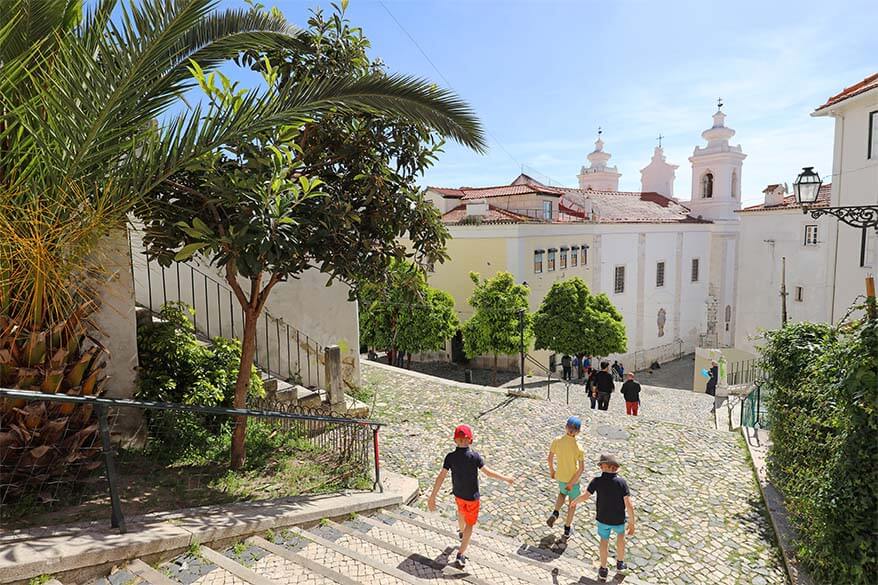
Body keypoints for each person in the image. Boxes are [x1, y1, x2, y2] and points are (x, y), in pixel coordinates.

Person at [427, 424, 515, 569]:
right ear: (470, 440)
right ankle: (461, 554)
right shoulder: (474, 457)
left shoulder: (450, 457)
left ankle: (461, 533)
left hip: (458, 495)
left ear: (455, 440)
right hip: (472, 498)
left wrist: (433, 496)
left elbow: (441, 476)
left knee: (461, 512)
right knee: (470, 524)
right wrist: (506, 478)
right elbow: (488, 473)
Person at [571, 454, 636, 582]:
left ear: (604, 467)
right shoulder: (621, 482)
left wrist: (575, 501)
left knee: (603, 542)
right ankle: (620, 563)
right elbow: (629, 504)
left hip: (602, 518)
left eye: (601, 465)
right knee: (620, 539)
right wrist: (632, 522)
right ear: (614, 468)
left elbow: (586, 495)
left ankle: (603, 569)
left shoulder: (596, 481)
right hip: (618, 519)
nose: (600, 466)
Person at [546, 416, 586, 539]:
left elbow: (550, 458)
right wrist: (572, 482)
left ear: (566, 427)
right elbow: (581, 468)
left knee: (562, 494)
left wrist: (552, 470)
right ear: (578, 431)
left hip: (561, 476)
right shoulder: (579, 448)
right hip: (573, 480)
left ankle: (556, 512)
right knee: (572, 504)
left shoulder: (557, 441)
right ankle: (567, 529)